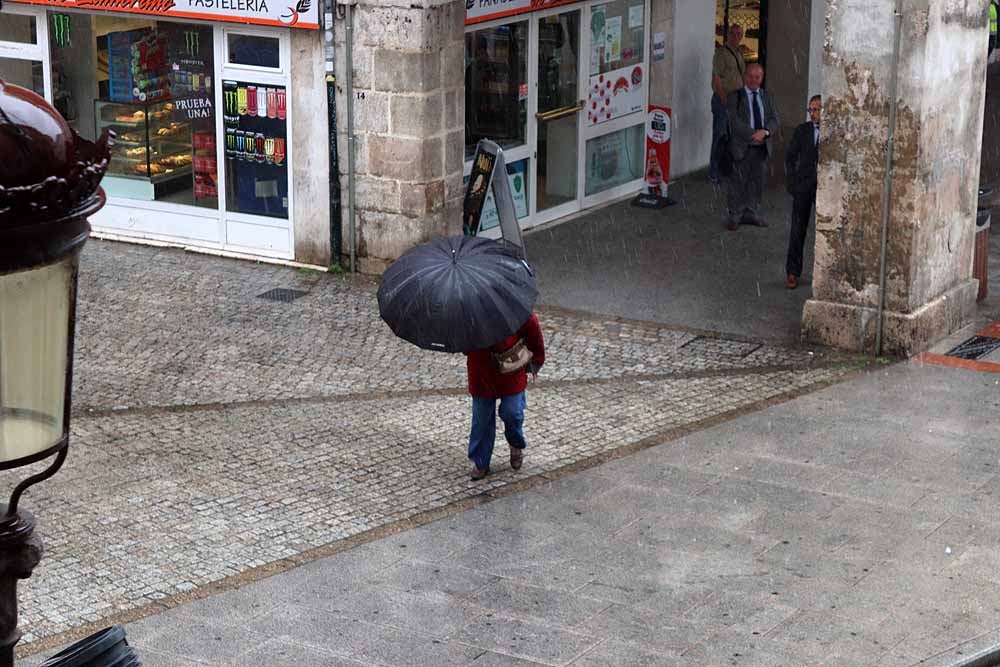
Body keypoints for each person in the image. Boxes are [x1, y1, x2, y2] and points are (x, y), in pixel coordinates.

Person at [465, 313, 545, 480]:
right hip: (481, 372)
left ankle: (516, 444)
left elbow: (532, 328)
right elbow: (462, 343)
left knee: (513, 412)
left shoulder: (510, 308)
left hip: (511, 369)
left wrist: (536, 359)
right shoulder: (468, 311)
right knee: (481, 421)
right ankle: (481, 462)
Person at [725, 63, 779, 231]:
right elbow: (733, 121)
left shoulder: (766, 96)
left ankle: (752, 212)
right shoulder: (735, 96)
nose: (753, 80)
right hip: (743, 146)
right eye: (750, 76)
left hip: (762, 146)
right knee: (737, 181)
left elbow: (774, 118)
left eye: (757, 77)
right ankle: (735, 215)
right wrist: (752, 134)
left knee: (757, 181)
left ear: (761, 78)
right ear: (744, 77)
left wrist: (766, 132)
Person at [785, 95, 822, 289]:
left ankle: (823, 273)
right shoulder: (802, 131)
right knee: (798, 228)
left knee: (824, 229)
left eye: (817, 109)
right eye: (811, 110)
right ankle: (792, 271)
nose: (813, 114)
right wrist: (792, 182)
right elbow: (790, 157)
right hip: (803, 185)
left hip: (823, 187)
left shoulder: (831, 132)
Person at [710, 24, 746, 184]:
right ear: (728, 34)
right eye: (732, 33)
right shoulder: (721, 53)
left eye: (739, 33)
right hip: (723, 99)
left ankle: (727, 169)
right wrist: (724, 100)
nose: (735, 36)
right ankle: (714, 172)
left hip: (736, 99)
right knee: (719, 136)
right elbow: (716, 78)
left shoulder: (739, 53)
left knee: (732, 137)